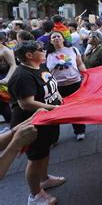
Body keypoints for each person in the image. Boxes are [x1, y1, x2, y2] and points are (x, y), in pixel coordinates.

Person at [8, 41, 64, 205]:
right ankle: (35, 195)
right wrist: (52, 107)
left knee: (44, 151)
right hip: (32, 123)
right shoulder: (21, 76)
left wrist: (57, 96)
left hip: (48, 119)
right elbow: (26, 103)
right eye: (41, 50)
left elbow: (51, 83)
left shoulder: (41, 65)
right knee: (35, 158)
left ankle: (44, 179)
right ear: (29, 55)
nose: (44, 51)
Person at [46, 31, 87, 141]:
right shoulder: (47, 54)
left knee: (76, 108)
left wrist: (86, 73)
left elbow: (80, 64)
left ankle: (79, 131)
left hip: (74, 83)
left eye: (58, 36)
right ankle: (53, 138)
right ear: (50, 41)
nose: (56, 38)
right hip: (56, 88)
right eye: (53, 37)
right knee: (56, 111)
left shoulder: (73, 49)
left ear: (63, 39)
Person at [0, 32, 15, 129]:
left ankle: (13, 126)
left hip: (2, 81)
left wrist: (6, 79)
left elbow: (13, 65)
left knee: (3, 105)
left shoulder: (5, 51)